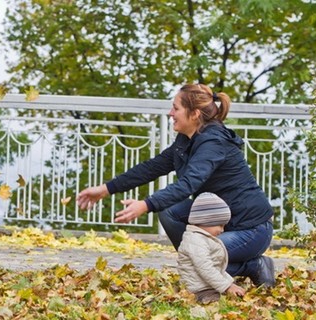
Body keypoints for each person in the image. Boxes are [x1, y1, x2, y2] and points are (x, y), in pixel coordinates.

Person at [76, 83, 276, 287]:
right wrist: (105, 189)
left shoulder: (214, 142)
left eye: (176, 108)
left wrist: (145, 204)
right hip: (219, 222)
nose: (171, 113)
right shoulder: (186, 140)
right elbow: (152, 167)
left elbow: (188, 184)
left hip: (251, 229)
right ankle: (204, 259)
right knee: (170, 212)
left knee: (193, 261)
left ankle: (253, 265)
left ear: (195, 114)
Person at [177, 192, 246, 304]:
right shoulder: (195, 240)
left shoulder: (205, 238)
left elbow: (217, 268)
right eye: (220, 225)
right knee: (214, 303)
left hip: (207, 285)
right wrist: (227, 287)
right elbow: (206, 269)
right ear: (206, 221)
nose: (222, 230)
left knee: (232, 297)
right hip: (197, 289)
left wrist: (229, 283)